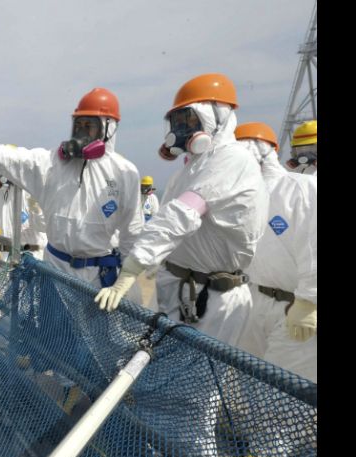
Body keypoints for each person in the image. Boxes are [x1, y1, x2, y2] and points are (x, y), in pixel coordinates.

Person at [94, 72, 269, 347]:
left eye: (188, 120)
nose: (182, 129)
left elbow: (180, 216)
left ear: (216, 117)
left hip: (210, 299)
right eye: (178, 122)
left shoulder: (232, 160)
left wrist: (131, 269)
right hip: (180, 290)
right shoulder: (192, 168)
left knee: (197, 385)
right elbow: (166, 220)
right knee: (166, 373)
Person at [0, 87, 144, 301]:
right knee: (55, 334)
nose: (83, 133)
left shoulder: (124, 173)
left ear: (109, 129)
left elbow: (132, 232)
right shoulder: (51, 164)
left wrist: (125, 280)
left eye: (91, 126)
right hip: (55, 273)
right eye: (79, 125)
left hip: (99, 278)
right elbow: (10, 157)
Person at [234, 122, 317, 382]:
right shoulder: (243, 197)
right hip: (255, 301)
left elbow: (314, 246)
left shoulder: (300, 189)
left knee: (285, 391)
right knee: (251, 380)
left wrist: (308, 302)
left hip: (295, 306)